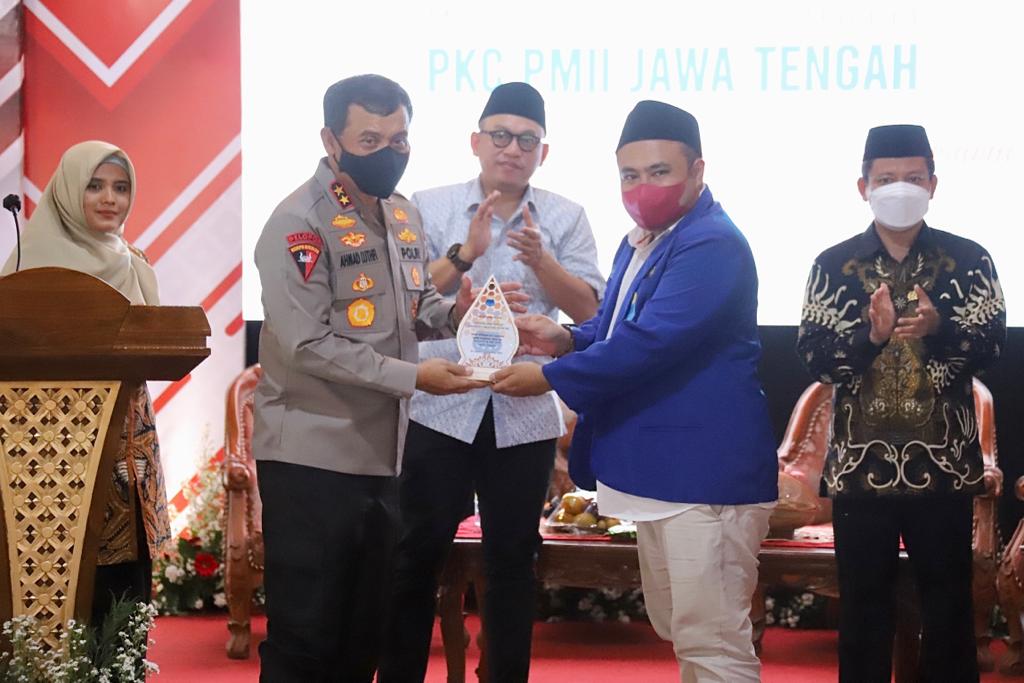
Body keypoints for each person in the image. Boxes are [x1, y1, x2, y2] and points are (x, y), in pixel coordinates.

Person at [491, 100, 778, 682]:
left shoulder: (711, 243)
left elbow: (653, 341)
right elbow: (620, 326)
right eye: (630, 174)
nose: (642, 187)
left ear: (697, 171)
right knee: (683, 628)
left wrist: (547, 378)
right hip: (661, 471)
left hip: (703, 474)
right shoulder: (644, 238)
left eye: (659, 172)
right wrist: (567, 339)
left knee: (713, 640)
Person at [252, 74, 510, 682]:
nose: (388, 153)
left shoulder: (401, 213)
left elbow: (411, 311)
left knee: (362, 636)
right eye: (370, 139)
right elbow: (308, 345)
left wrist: (461, 316)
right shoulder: (298, 223)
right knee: (306, 639)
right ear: (331, 141)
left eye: (399, 139)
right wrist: (414, 377)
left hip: (382, 459)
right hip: (311, 459)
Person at [378, 82, 605, 683]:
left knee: (512, 560)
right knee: (415, 554)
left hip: (522, 407)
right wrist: (464, 258)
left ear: (543, 152)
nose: (512, 149)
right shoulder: (427, 206)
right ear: (476, 142)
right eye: (500, 136)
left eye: (527, 140)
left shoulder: (567, 216)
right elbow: (402, 300)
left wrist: (541, 263)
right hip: (440, 402)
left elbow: (589, 312)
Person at [796, 124, 1006, 682]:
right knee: (863, 612)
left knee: (948, 609)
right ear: (862, 187)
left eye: (913, 177)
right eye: (886, 178)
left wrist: (939, 330)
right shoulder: (832, 265)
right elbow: (815, 358)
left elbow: (991, 348)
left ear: (933, 184)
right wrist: (870, 336)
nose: (900, 188)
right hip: (860, 471)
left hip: (943, 469)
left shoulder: (970, 260)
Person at [1, 140, 169, 627]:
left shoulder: (133, 261)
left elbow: (158, 336)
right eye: (94, 186)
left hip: (126, 446)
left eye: (120, 187)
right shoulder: (31, 261)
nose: (109, 198)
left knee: (123, 592)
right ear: (68, 190)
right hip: (50, 449)